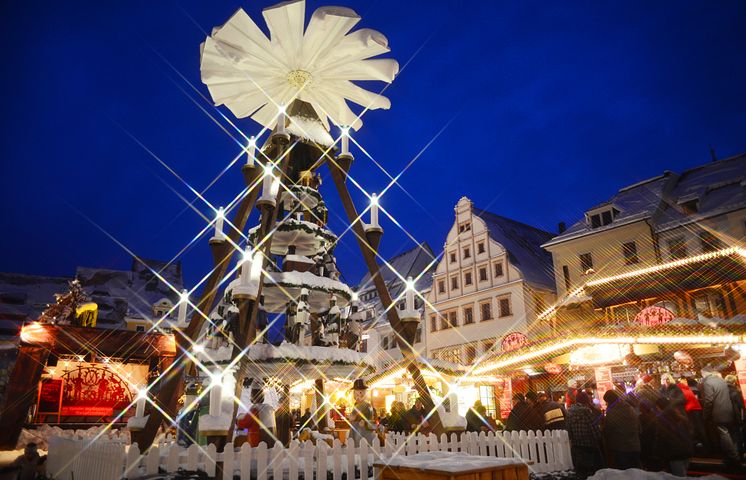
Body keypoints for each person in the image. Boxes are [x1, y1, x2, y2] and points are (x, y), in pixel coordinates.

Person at [701, 365, 740, 469]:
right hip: (729, 411)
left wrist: (705, 415)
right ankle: (735, 455)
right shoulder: (721, 380)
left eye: (702, 374)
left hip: (718, 413)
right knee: (731, 434)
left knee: (724, 435)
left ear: (705, 373)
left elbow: (709, 400)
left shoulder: (707, 382)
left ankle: (734, 458)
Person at [565, 391, 603, 479]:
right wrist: (598, 438)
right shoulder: (587, 411)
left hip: (576, 445)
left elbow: (568, 429)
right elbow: (593, 428)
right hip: (589, 445)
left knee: (581, 471)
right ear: (586, 400)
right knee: (593, 471)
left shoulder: (569, 412)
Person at [602, 389, 641, 470]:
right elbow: (639, 427)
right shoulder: (629, 407)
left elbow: (608, 430)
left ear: (609, 401)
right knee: (636, 473)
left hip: (621, 448)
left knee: (624, 474)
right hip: (634, 445)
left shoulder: (612, 412)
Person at [655, 397, 694, 477]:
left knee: (678, 476)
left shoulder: (663, 419)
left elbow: (662, 437)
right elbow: (690, 431)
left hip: (675, 452)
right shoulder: (680, 415)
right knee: (683, 474)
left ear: (659, 407)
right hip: (686, 450)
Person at [678, 377, 707, 454]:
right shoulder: (689, 389)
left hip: (690, 410)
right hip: (697, 409)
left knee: (692, 428)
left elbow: (683, 401)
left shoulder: (681, 389)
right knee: (700, 428)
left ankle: (697, 446)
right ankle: (705, 445)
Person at [348, 379, 375, 445]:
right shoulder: (356, 405)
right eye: (357, 391)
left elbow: (373, 422)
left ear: (365, 392)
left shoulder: (368, 406)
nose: (359, 393)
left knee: (363, 448)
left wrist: (365, 423)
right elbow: (352, 417)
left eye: (362, 391)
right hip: (355, 431)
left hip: (364, 432)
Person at [725, 374, 745, 458]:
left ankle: (731, 454)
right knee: (738, 435)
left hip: (726, 415)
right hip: (735, 416)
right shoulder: (736, 392)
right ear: (734, 382)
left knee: (729, 435)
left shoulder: (723, 391)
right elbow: (741, 406)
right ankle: (738, 453)